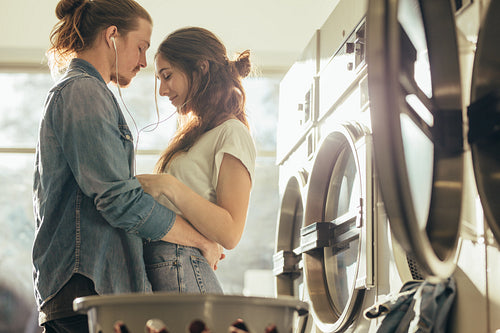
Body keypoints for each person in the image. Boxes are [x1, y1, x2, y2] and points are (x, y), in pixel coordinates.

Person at [33, 2, 222, 332]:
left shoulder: (87, 92)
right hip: (86, 291)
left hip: (91, 291)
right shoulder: (83, 92)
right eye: (141, 47)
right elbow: (119, 201)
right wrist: (200, 240)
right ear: (112, 36)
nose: (143, 62)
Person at [137, 27, 257, 294]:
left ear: (200, 68)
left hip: (182, 265)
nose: (162, 91)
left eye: (167, 76)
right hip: (171, 264)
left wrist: (167, 185)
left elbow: (231, 232)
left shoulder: (232, 132)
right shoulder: (195, 135)